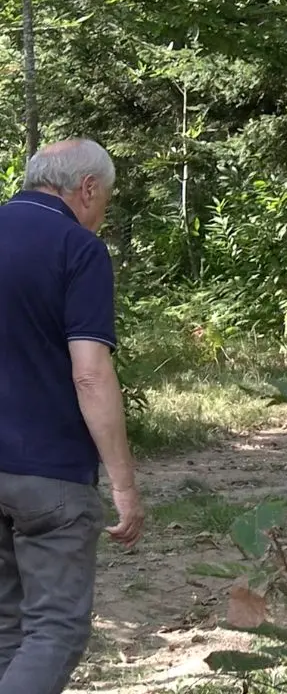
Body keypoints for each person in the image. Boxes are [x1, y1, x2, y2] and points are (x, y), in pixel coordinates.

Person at [0, 138, 145, 693]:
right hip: (49, 473)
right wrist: (124, 485)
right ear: (86, 188)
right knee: (54, 629)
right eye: (104, 199)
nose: (101, 213)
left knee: (6, 627)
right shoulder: (76, 247)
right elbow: (90, 373)